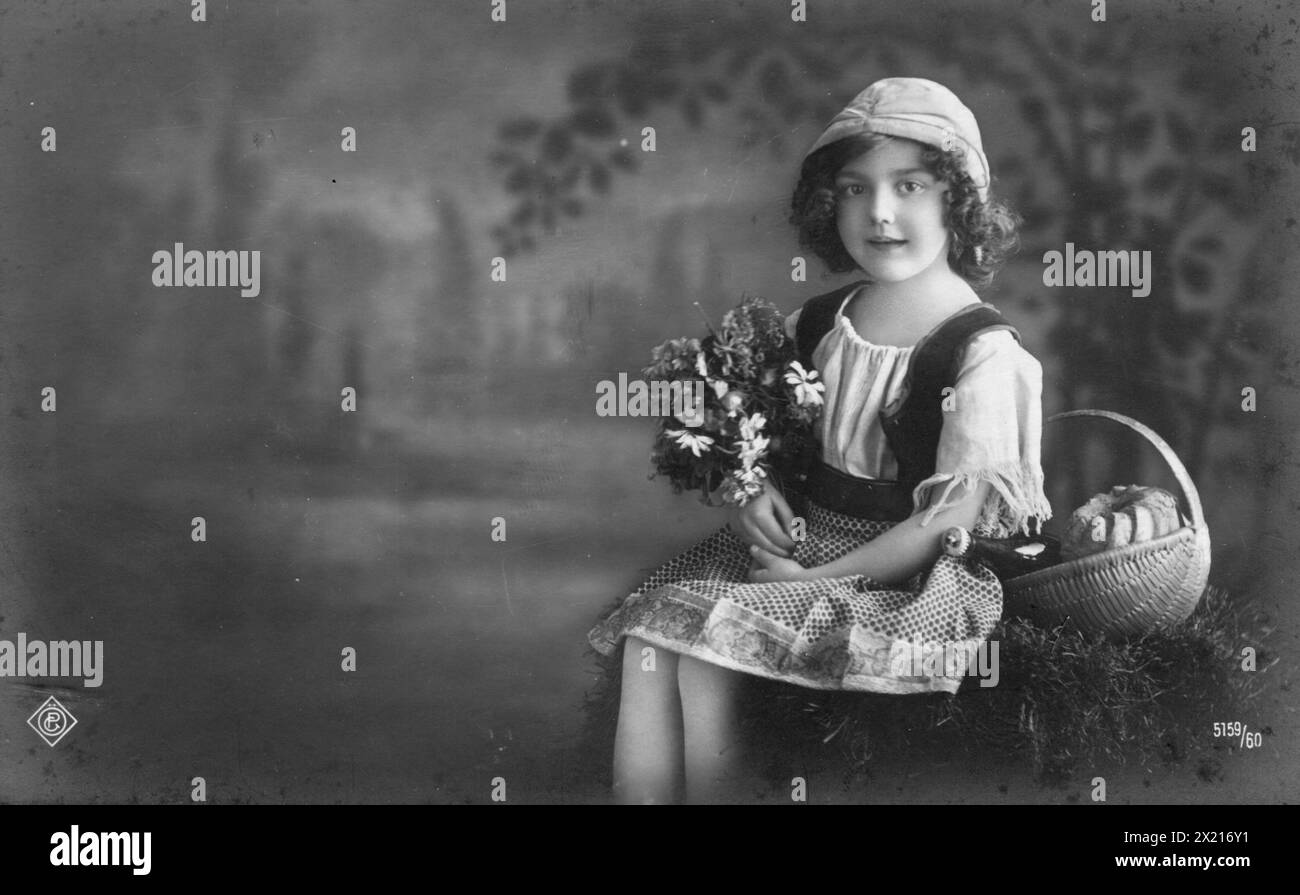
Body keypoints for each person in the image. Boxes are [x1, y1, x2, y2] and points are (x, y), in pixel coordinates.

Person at [587, 77, 1053, 804]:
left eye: (911, 185)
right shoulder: (821, 321)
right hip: (803, 541)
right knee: (652, 642)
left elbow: (947, 523)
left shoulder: (982, 353)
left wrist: (817, 583)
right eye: (853, 189)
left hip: (897, 573)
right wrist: (749, 491)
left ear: (958, 201)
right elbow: (761, 439)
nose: (881, 213)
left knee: (709, 656)